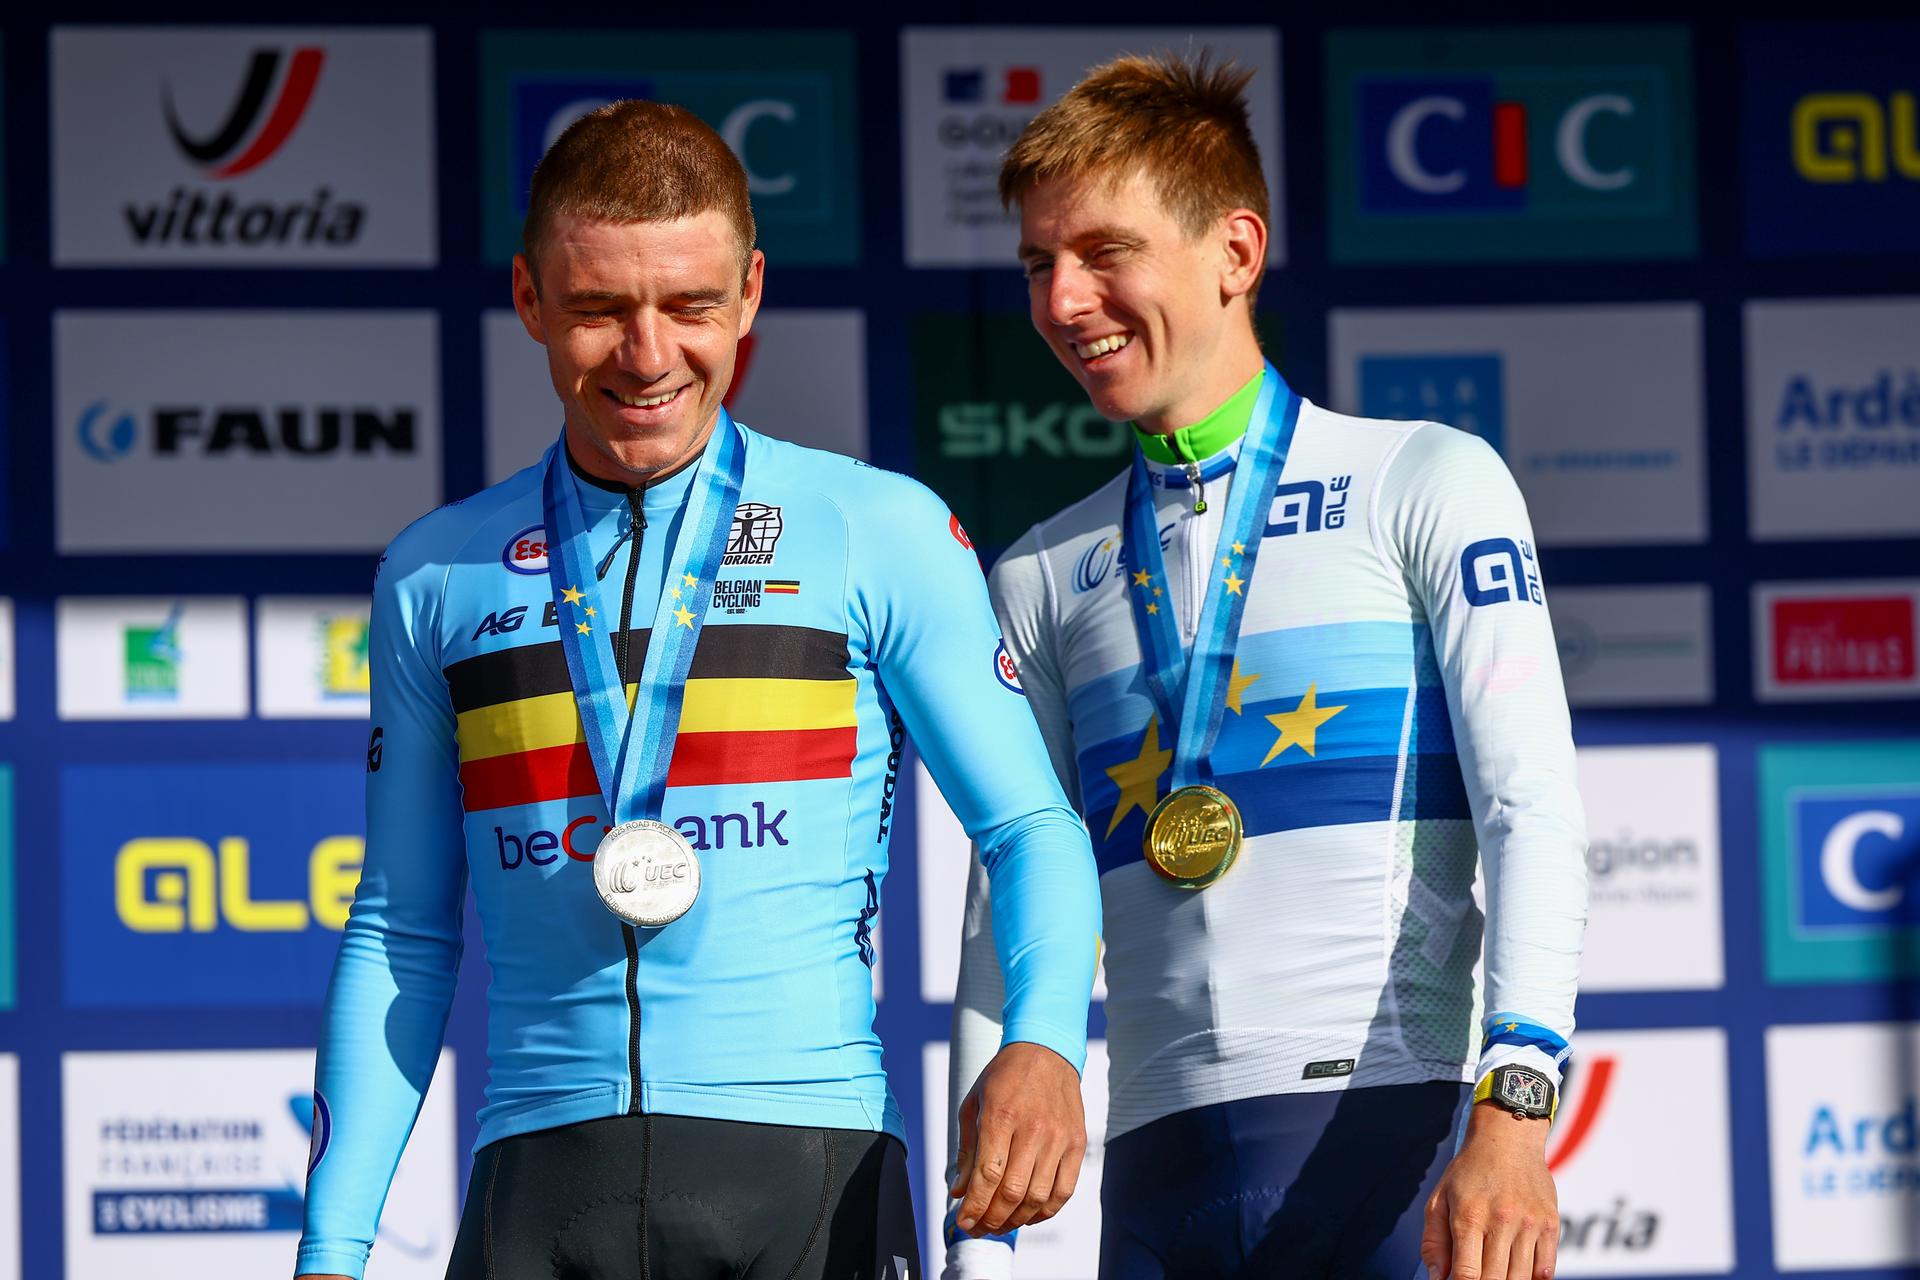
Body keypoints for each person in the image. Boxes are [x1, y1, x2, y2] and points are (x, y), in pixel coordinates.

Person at [295, 100, 1101, 1280]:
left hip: (806, 1172)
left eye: (690, 306)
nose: (648, 353)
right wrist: (333, 1245)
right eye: (599, 309)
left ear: (752, 293)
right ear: (528, 299)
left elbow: (1031, 826)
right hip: (538, 1180)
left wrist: (1042, 1042)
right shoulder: (436, 569)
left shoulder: (872, 526)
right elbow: (402, 927)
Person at [943, 54, 1587, 1280]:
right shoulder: (1038, 571)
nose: (1065, 299)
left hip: (1397, 1152)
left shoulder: (1423, 480)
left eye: (1102, 252)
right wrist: (987, 1246)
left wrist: (1514, 1108)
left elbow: (1532, 806)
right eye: (1037, 263)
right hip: (1153, 1185)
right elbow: (1004, 916)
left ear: (1236, 251)